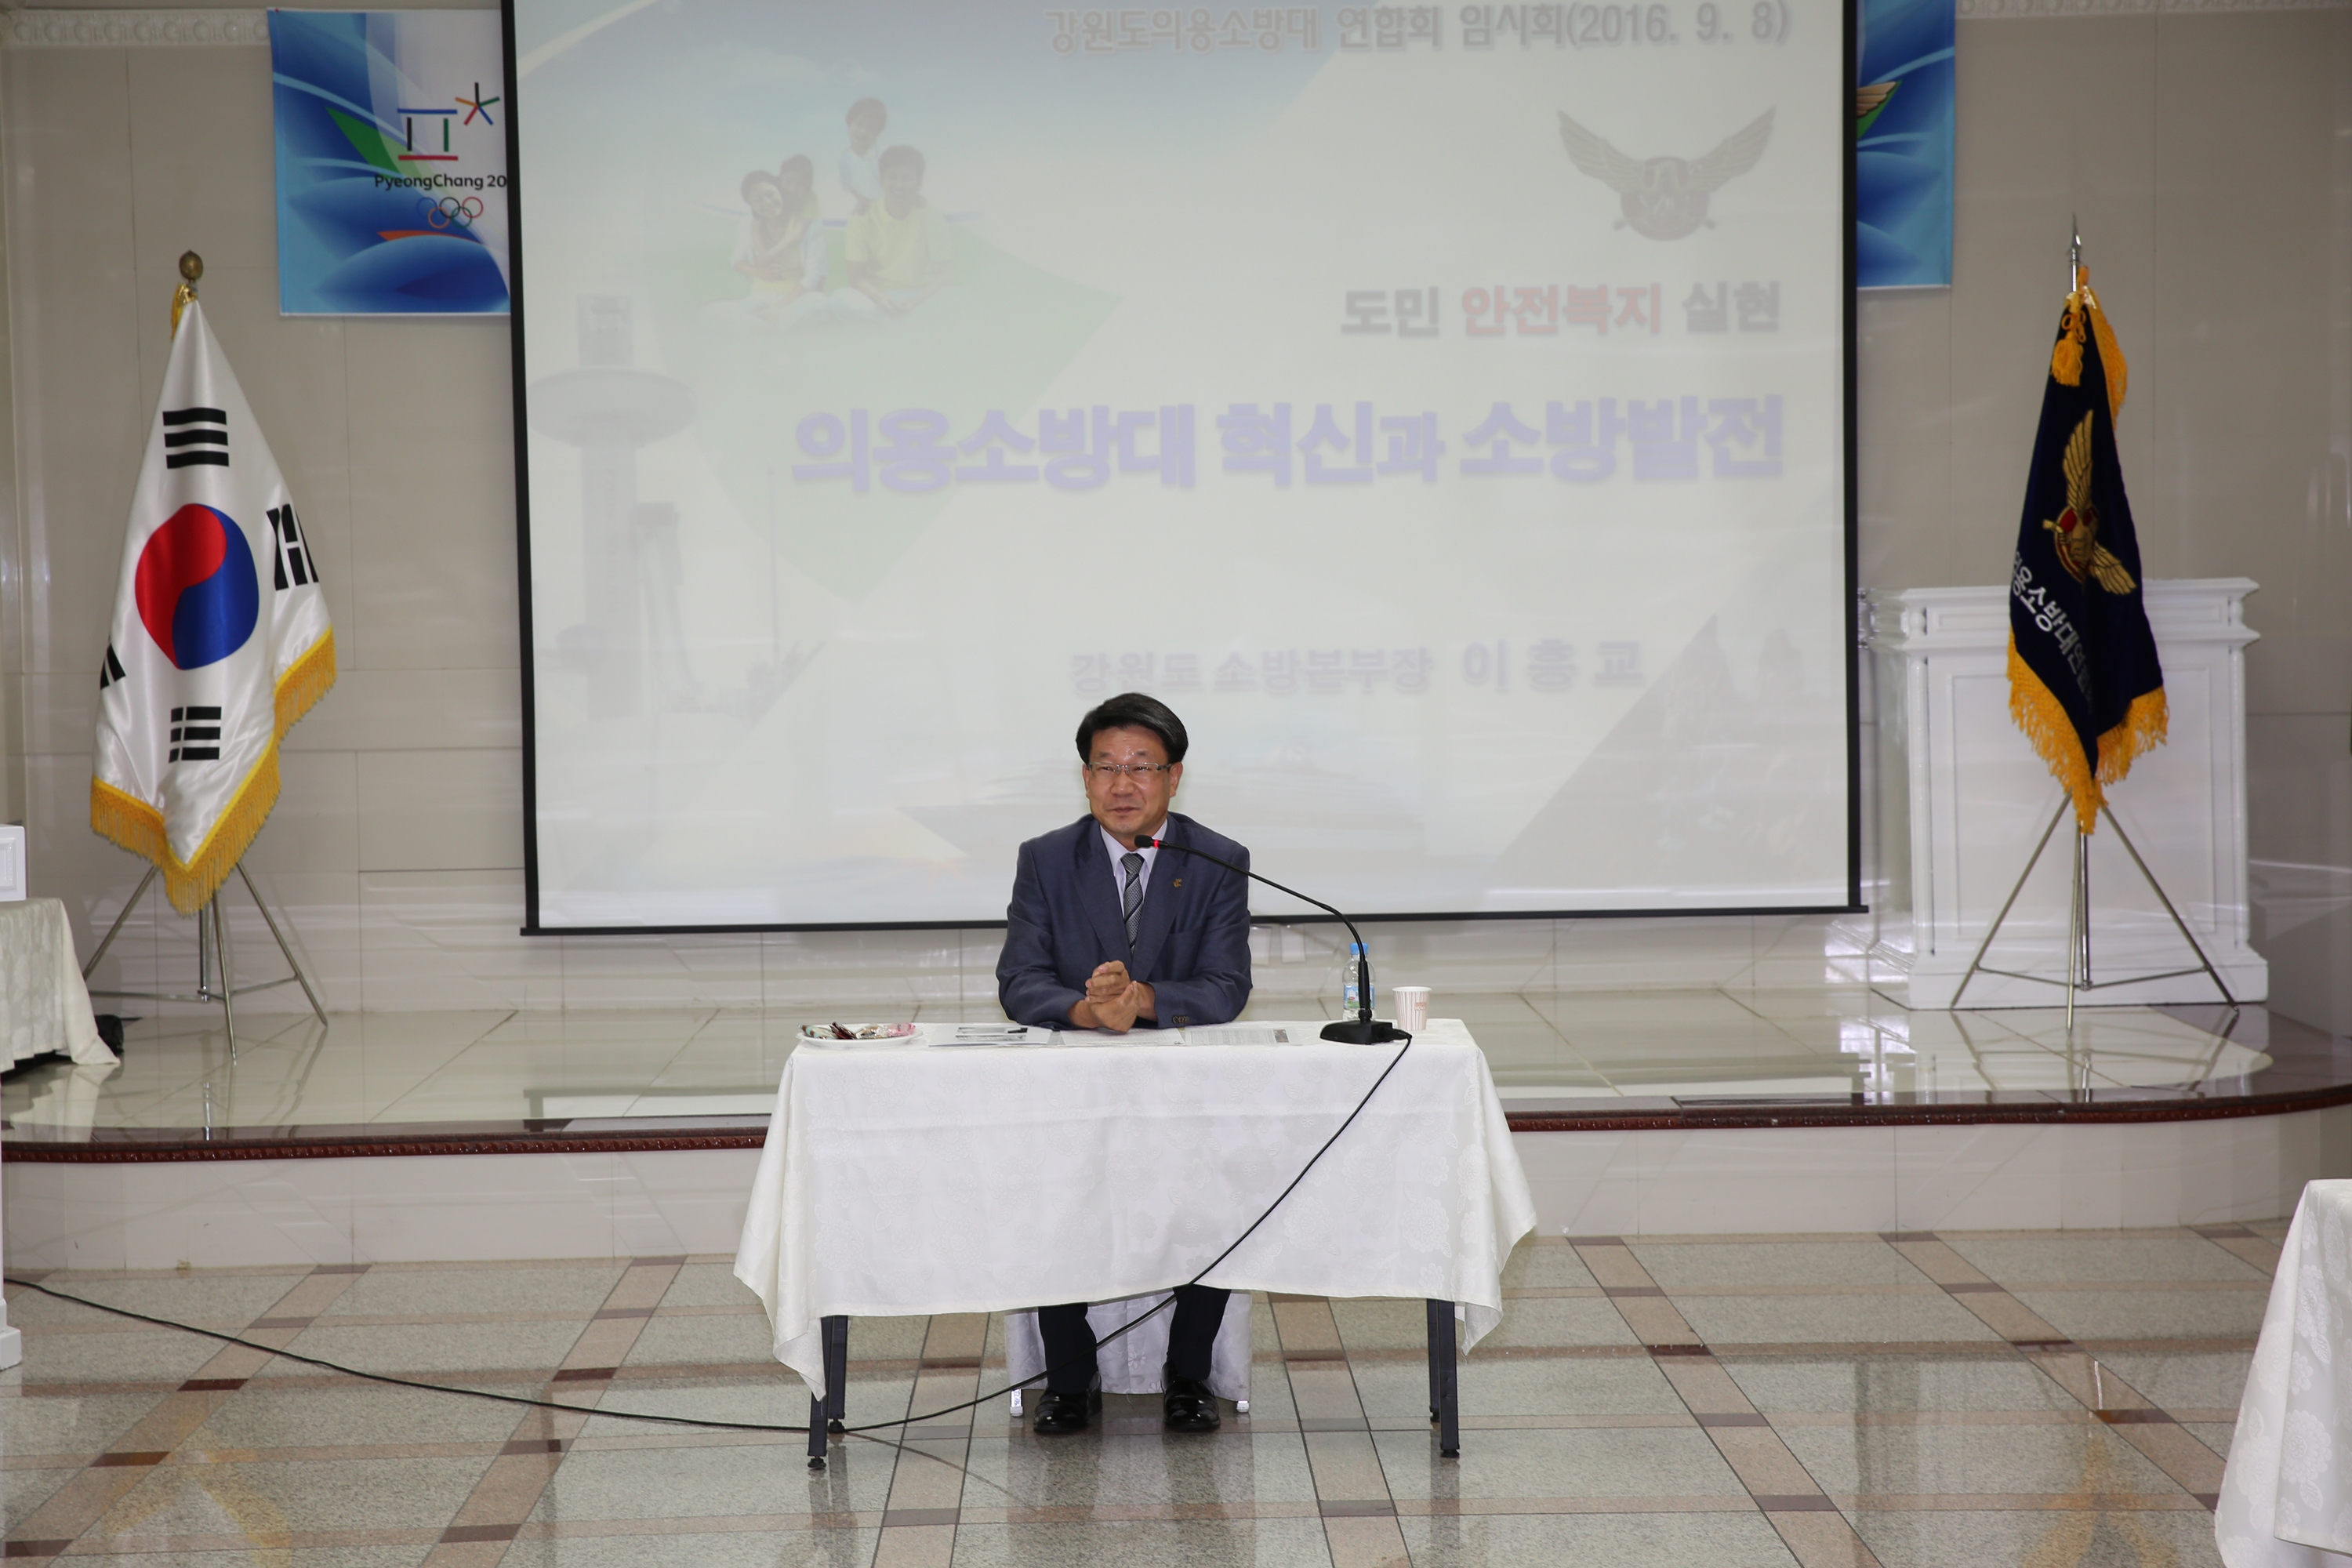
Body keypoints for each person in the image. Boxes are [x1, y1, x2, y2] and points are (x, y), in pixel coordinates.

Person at [996, 693, 1253, 1438]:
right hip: (1076, 1081)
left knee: (1205, 1211)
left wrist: (1142, 1000)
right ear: (1084, 778)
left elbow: (1226, 986)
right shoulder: (1047, 858)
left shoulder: (1217, 858)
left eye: (1141, 766)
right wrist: (1088, 1011)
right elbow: (1020, 980)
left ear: (1174, 776)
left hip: (1182, 1081)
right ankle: (1069, 1379)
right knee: (1062, 1210)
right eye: (1106, 767)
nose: (1122, 784)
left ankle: (1189, 1375)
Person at [838, 145, 953, 319]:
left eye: (906, 178)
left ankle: (892, 324)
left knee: (961, 298)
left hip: (921, 297)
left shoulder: (932, 216)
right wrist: (879, 298)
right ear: (881, 180)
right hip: (877, 298)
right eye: (892, 177)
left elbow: (944, 274)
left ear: (919, 183)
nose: (899, 185)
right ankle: (901, 324)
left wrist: (916, 301)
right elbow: (856, 277)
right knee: (839, 300)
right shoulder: (862, 218)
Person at [728, 163, 829, 327]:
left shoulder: (808, 223)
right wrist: (760, 273)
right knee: (712, 313)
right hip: (760, 298)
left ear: (780, 190)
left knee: (818, 303)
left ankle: (765, 327)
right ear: (751, 205)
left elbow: (814, 275)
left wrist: (777, 308)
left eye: (770, 194)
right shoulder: (749, 223)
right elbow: (736, 261)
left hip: (799, 298)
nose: (767, 203)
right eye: (758, 200)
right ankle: (761, 327)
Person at [838, 97, 887, 214]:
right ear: (849, 123)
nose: (863, 131)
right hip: (865, 211)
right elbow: (848, 188)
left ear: (878, 132)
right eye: (859, 124)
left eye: (870, 128)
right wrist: (861, 200)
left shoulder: (884, 155)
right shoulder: (845, 160)